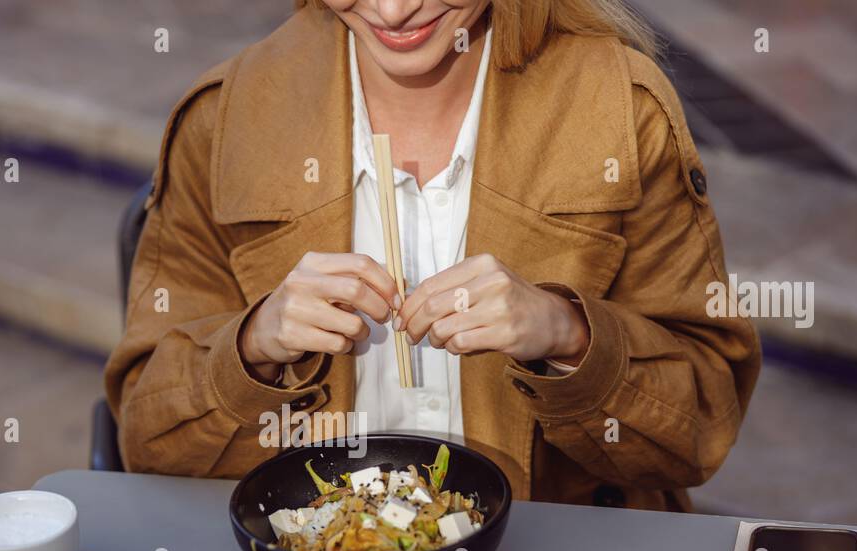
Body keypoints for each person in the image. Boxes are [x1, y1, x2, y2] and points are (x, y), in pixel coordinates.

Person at [104, 0, 761, 510]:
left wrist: (569, 334)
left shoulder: (622, 109)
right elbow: (147, 438)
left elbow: (701, 429)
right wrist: (250, 347)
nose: (392, 13)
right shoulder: (224, 122)